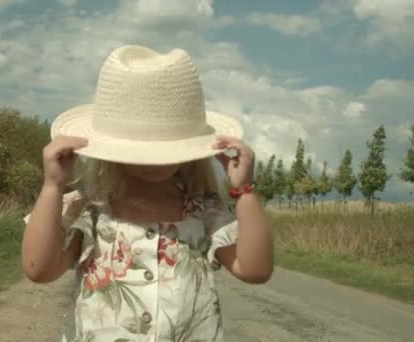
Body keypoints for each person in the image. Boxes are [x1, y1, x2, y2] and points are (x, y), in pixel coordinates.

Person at [22, 45, 273, 341]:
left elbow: (255, 269)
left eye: (163, 148)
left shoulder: (203, 209)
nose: (152, 161)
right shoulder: (91, 208)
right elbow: (40, 269)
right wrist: (53, 187)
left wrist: (244, 190)